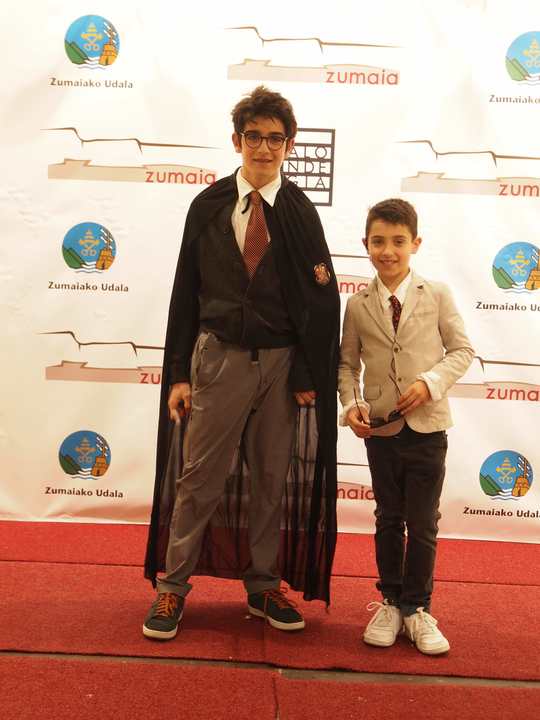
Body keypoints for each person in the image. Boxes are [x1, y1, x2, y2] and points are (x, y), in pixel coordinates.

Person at [143, 86, 340, 640]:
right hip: (218, 360)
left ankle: (263, 585)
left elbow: (322, 301)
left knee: (272, 480)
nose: (264, 148)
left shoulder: (299, 212)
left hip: (280, 367)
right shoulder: (207, 206)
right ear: (237, 141)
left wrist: (307, 373)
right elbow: (185, 292)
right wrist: (178, 373)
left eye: (276, 138)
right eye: (254, 136)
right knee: (199, 477)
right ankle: (172, 587)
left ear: (289, 145)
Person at [338, 198, 474, 655]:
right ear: (366, 244)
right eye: (378, 241)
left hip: (428, 429)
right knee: (388, 517)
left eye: (398, 241)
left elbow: (462, 351)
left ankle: (418, 607)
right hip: (381, 431)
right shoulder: (357, 305)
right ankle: (391, 601)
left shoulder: (437, 294)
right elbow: (346, 365)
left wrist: (429, 383)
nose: (388, 251)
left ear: (415, 243)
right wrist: (352, 404)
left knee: (423, 522)